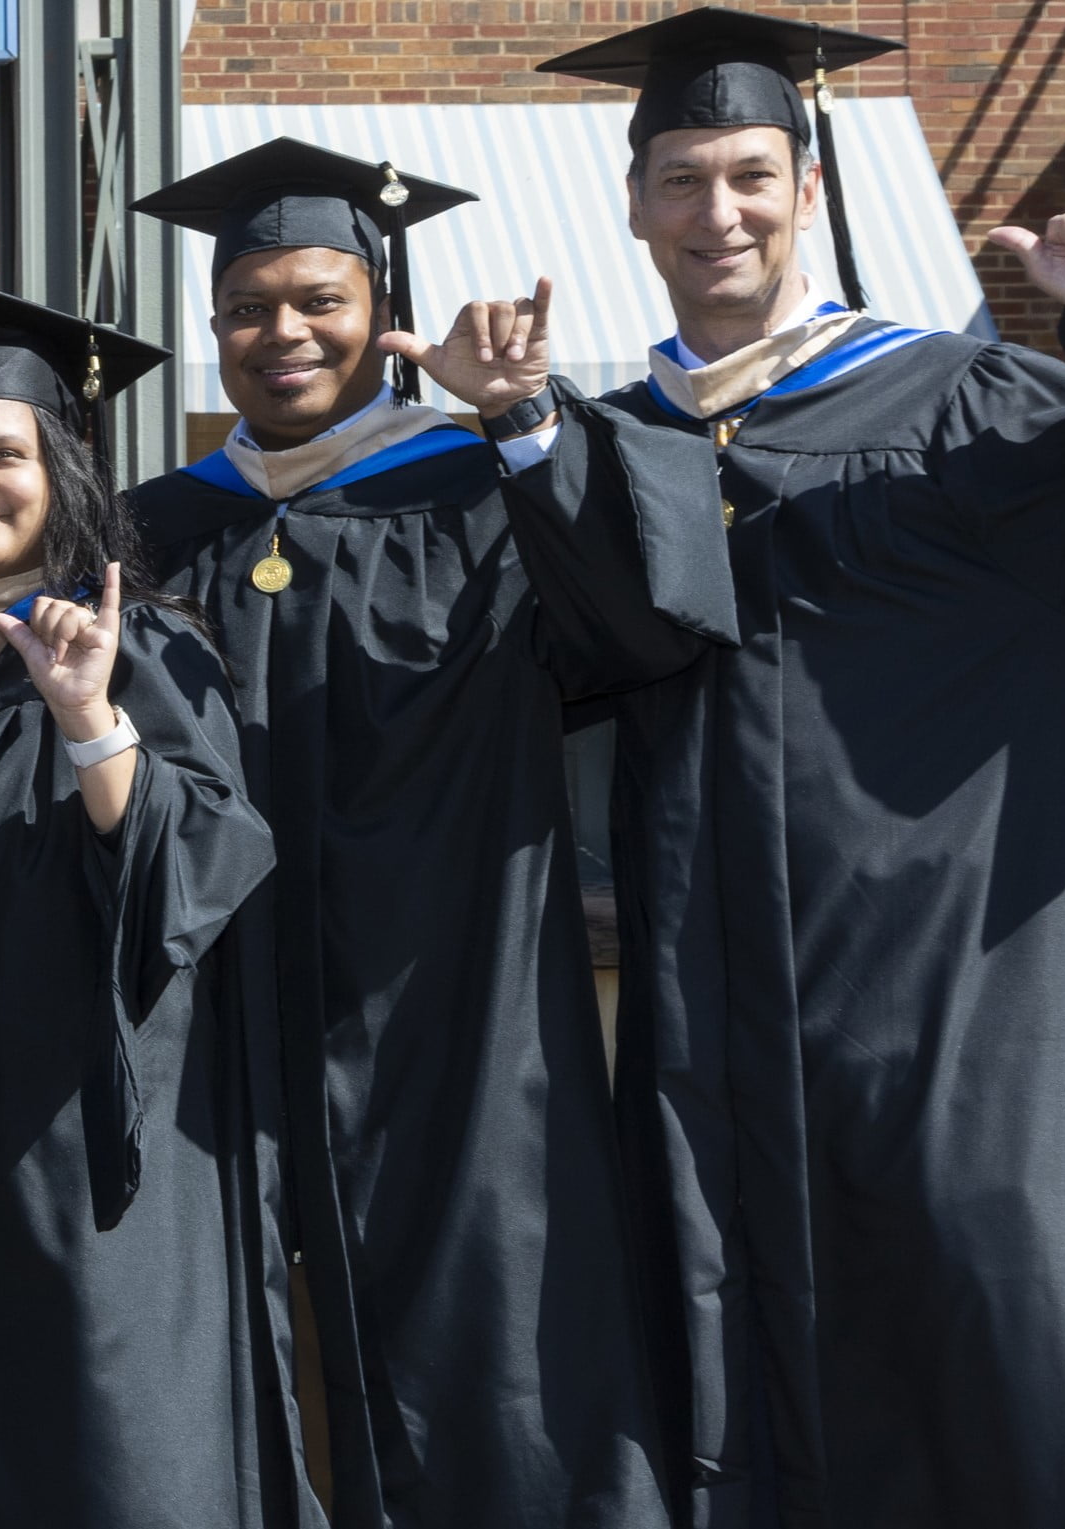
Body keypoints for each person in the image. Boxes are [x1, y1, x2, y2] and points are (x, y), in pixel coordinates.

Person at [522, 7, 1065, 1528]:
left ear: (808, 189)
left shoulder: (970, 407)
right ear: (629, 204)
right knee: (713, 1336)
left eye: (749, 174)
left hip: (948, 996)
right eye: (678, 178)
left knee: (974, 1323)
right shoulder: (598, 447)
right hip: (699, 1002)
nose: (715, 210)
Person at [123, 139, 726, 1529]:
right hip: (219, 1022)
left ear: (379, 309)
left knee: (496, 1346)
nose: (281, 334)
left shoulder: (473, 491)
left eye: (319, 301)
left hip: (457, 1017)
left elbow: (638, 630)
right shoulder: (153, 530)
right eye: (246, 308)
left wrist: (519, 423)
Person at [0, 277, 295, 1529]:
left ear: (64, 474)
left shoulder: (144, 648)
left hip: (87, 1169)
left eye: (2, 454)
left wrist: (90, 721)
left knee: (111, 1468)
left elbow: (201, 867)